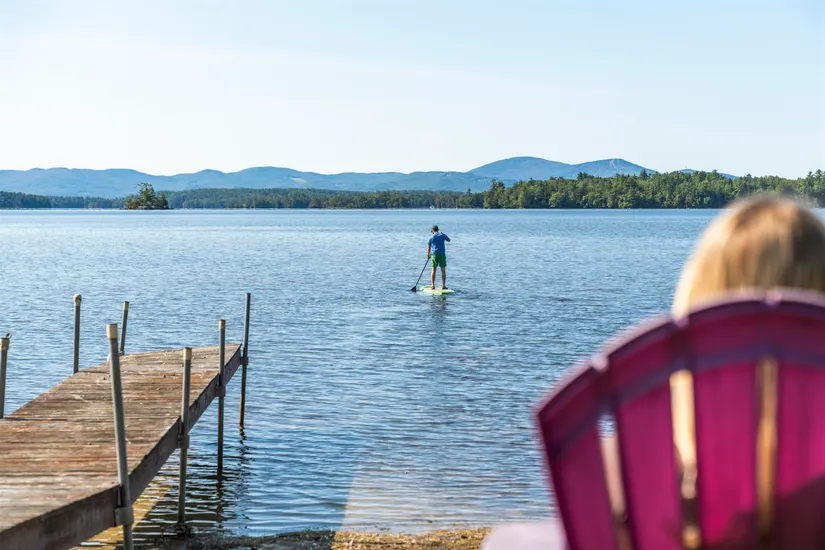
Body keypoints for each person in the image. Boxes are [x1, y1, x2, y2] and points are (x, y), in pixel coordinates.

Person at [427, 225, 451, 289]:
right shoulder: (442, 235)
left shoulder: (431, 237)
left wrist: (428, 255)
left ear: (433, 230)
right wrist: (443, 234)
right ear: (438, 229)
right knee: (443, 271)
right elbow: (449, 240)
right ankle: (443, 285)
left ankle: (433, 285)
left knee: (433, 270)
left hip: (434, 255)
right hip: (442, 255)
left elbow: (429, 246)